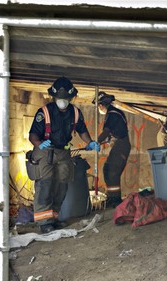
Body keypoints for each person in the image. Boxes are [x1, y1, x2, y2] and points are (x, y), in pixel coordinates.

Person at [28, 76, 100, 233]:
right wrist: (40, 144)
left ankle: (53, 218)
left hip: (63, 153)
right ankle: (44, 223)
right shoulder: (44, 112)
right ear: (54, 97)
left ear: (71, 97)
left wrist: (90, 142)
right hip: (45, 151)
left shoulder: (75, 112)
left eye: (66, 98)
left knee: (62, 186)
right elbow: (33, 135)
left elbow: (82, 130)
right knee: (45, 185)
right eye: (60, 98)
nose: (63, 101)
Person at [93, 91, 131, 208]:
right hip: (119, 144)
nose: (99, 107)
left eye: (99, 105)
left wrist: (95, 142)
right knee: (108, 169)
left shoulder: (112, 114)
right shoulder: (114, 113)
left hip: (121, 145)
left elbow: (106, 131)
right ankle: (112, 197)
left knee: (112, 171)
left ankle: (115, 200)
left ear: (102, 104)